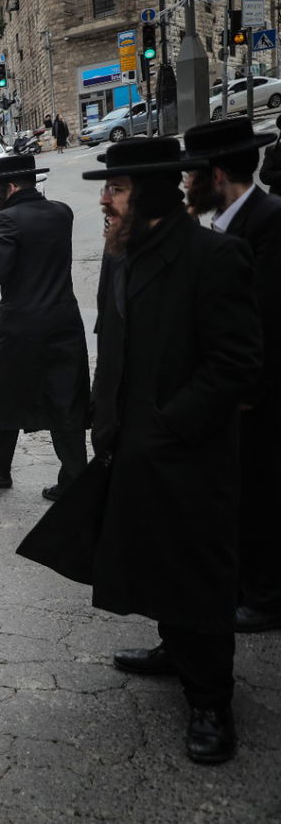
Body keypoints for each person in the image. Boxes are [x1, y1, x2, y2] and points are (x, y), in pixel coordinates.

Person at [20, 138, 262, 765]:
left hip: (188, 457)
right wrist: (106, 421)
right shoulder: (124, 256)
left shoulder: (216, 257)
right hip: (132, 448)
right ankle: (172, 649)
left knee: (196, 572)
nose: (104, 198)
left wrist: (168, 425)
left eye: (117, 188)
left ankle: (211, 701)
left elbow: (236, 364)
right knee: (154, 563)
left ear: (151, 192)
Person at [181, 119, 281, 634]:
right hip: (235, 396)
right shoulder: (222, 224)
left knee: (261, 494)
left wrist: (243, 393)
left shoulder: (269, 222)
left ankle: (265, 596)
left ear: (215, 175)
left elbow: (262, 319)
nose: (185, 185)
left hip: (259, 397)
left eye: (190, 175)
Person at [0, 155, 89, 501]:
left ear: (10, 188)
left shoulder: (8, 220)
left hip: (20, 326)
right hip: (63, 320)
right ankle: (74, 477)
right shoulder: (62, 213)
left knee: (1, 393)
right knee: (66, 400)